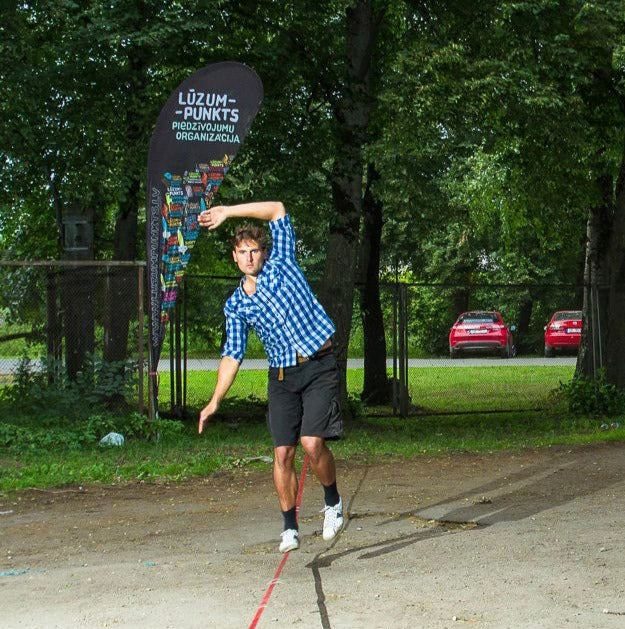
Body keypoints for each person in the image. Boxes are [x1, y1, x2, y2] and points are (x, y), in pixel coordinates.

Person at [197, 201, 344, 553]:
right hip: (282, 377)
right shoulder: (236, 305)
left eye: (254, 250)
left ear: (264, 252)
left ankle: (333, 502)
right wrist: (215, 399)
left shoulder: (283, 264)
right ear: (234, 258)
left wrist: (228, 212)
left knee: (312, 443)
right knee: (282, 453)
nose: (249, 257)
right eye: (242, 252)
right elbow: (233, 354)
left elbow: (277, 208)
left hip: (319, 365)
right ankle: (289, 527)